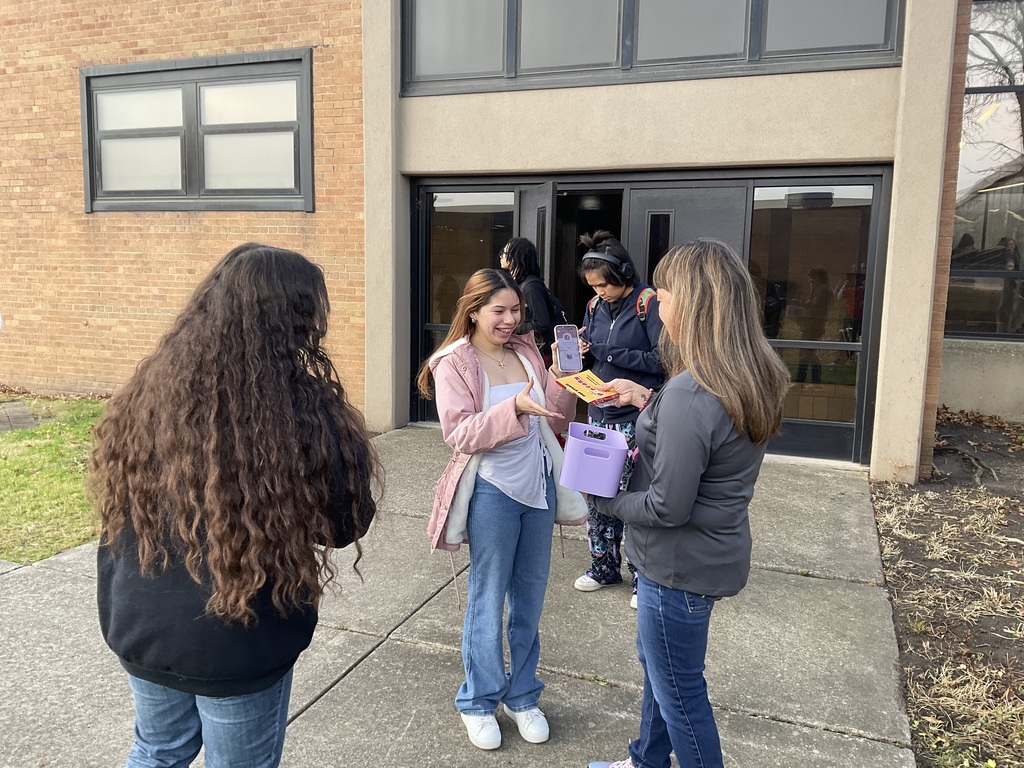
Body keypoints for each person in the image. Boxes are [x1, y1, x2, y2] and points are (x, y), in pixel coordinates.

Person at [91, 243, 380, 768]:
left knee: (157, 752)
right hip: (238, 636)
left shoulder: (148, 390)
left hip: (144, 624)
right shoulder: (303, 409)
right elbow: (345, 523)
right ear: (296, 319)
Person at [587, 239, 791, 768]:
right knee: (665, 676)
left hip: (675, 567)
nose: (655, 302)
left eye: (665, 293)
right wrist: (644, 398)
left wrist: (603, 501)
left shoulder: (692, 392)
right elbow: (707, 437)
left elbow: (664, 507)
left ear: (694, 303)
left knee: (680, 695)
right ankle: (644, 761)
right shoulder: (750, 374)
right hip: (710, 556)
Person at [417, 268, 587, 751]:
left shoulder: (527, 350)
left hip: (538, 485)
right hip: (492, 489)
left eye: (516, 310)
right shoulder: (452, 362)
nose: (511, 320)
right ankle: (478, 699)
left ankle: (523, 695)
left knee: (530, 601)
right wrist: (514, 409)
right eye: (500, 311)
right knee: (487, 599)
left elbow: (553, 413)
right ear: (473, 311)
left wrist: (563, 380)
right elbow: (460, 434)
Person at [575, 230, 665, 607]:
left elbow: (663, 361)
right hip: (599, 412)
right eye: (593, 287)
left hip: (635, 417)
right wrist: (579, 352)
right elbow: (596, 355)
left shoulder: (649, 303)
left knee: (632, 497)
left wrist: (608, 351)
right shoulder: (595, 308)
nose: (599, 293)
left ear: (624, 273)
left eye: (604, 285)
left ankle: (641, 578)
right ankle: (603, 567)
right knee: (597, 494)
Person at [499, 237, 562, 365]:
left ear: (516, 256)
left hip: (541, 353)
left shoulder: (531, 286)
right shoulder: (522, 284)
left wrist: (515, 327)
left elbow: (542, 324)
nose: (500, 256)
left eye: (504, 253)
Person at [794, 267, 830, 384]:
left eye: (811, 279)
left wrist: (802, 302)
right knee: (808, 353)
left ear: (817, 278)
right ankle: (811, 378)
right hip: (811, 324)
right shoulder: (818, 289)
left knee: (806, 353)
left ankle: (804, 378)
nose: (810, 282)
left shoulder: (823, 290)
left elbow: (815, 305)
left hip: (814, 325)